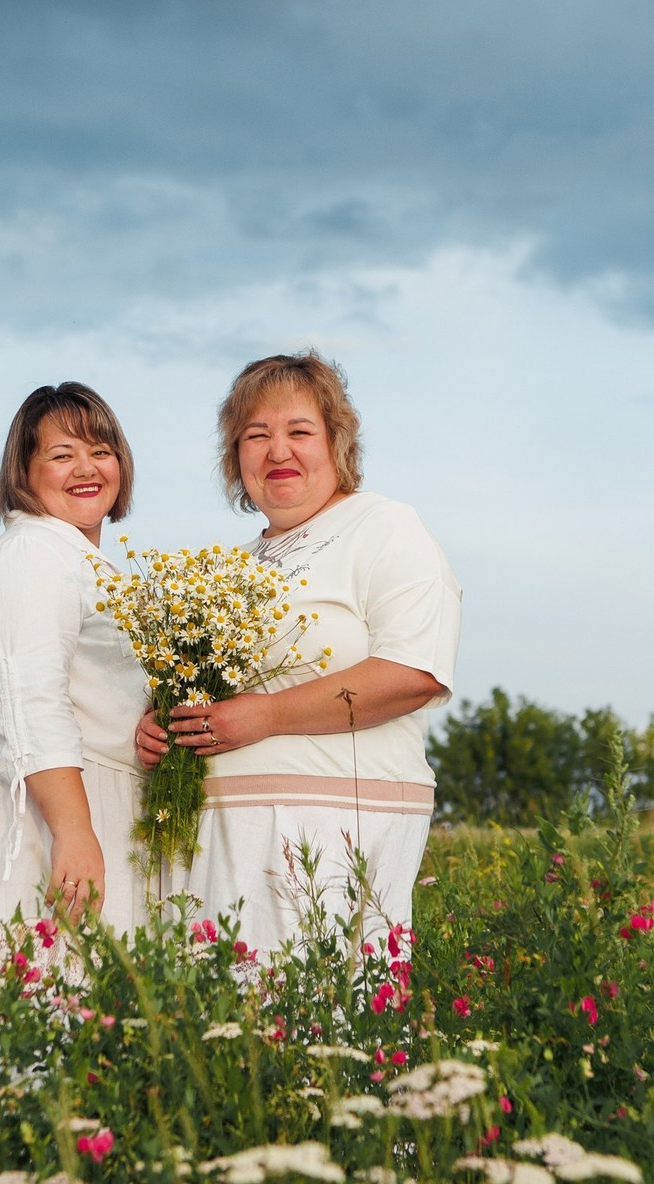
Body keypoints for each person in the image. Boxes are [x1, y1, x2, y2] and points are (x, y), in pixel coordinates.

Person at [137, 351, 461, 953]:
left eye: (299, 431)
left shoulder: (383, 526)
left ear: (338, 443)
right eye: (255, 435)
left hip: (329, 834)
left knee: (317, 1025)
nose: (277, 452)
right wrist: (161, 727)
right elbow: (205, 697)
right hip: (213, 844)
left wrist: (265, 714)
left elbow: (414, 672)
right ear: (235, 460)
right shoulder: (234, 567)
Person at [0, 382, 149, 949]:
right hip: (34, 803)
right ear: (24, 471)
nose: (86, 468)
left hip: (77, 793)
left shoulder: (78, 560)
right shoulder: (31, 554)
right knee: (30, 996)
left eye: (100, 451)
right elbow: (28, 700)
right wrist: (72, 831)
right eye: (61, 454)